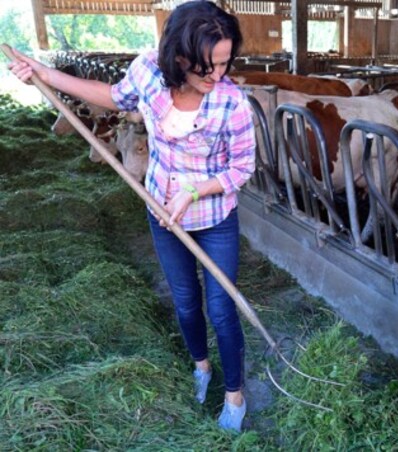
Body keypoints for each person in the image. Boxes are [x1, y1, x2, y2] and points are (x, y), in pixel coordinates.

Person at [8, 1, 256, 432]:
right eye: (207, 66)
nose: (218, 76)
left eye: (225, 63)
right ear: (179, 56)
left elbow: (241, 168)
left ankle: (235, 396)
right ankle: (202, 368)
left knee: (222, 308)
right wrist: (45, 75)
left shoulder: (232, 103)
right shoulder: (147, 73)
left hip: (215, 218)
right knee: (184, 301)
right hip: (162, 212)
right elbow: (112, 96)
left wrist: (195, 190)